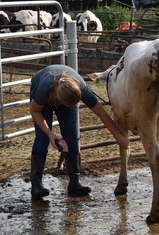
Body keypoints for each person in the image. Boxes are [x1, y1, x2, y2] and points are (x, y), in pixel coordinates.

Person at [29, 64, 129, 198]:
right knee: (42, 138)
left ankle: (74, 182)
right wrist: (50, 134)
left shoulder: (80, 87)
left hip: (66, 95)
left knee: (72, 136)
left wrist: (118, 137)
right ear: (58, 100)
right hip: (44, 98)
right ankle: (36, 184)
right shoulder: (44, 87)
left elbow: (101, 113)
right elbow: (34, 111)